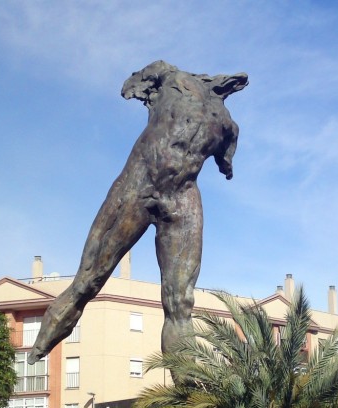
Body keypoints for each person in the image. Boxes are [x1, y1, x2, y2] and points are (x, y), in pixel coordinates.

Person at [30, 61, 248, 359]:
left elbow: (227, 158)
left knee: (180, 303)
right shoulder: (171, 76)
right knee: (88, 280)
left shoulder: (227, 124)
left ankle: (186, 393)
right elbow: (133, 83)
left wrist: (227, 161)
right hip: (138, 184)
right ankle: (38, 349)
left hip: (183, 198)